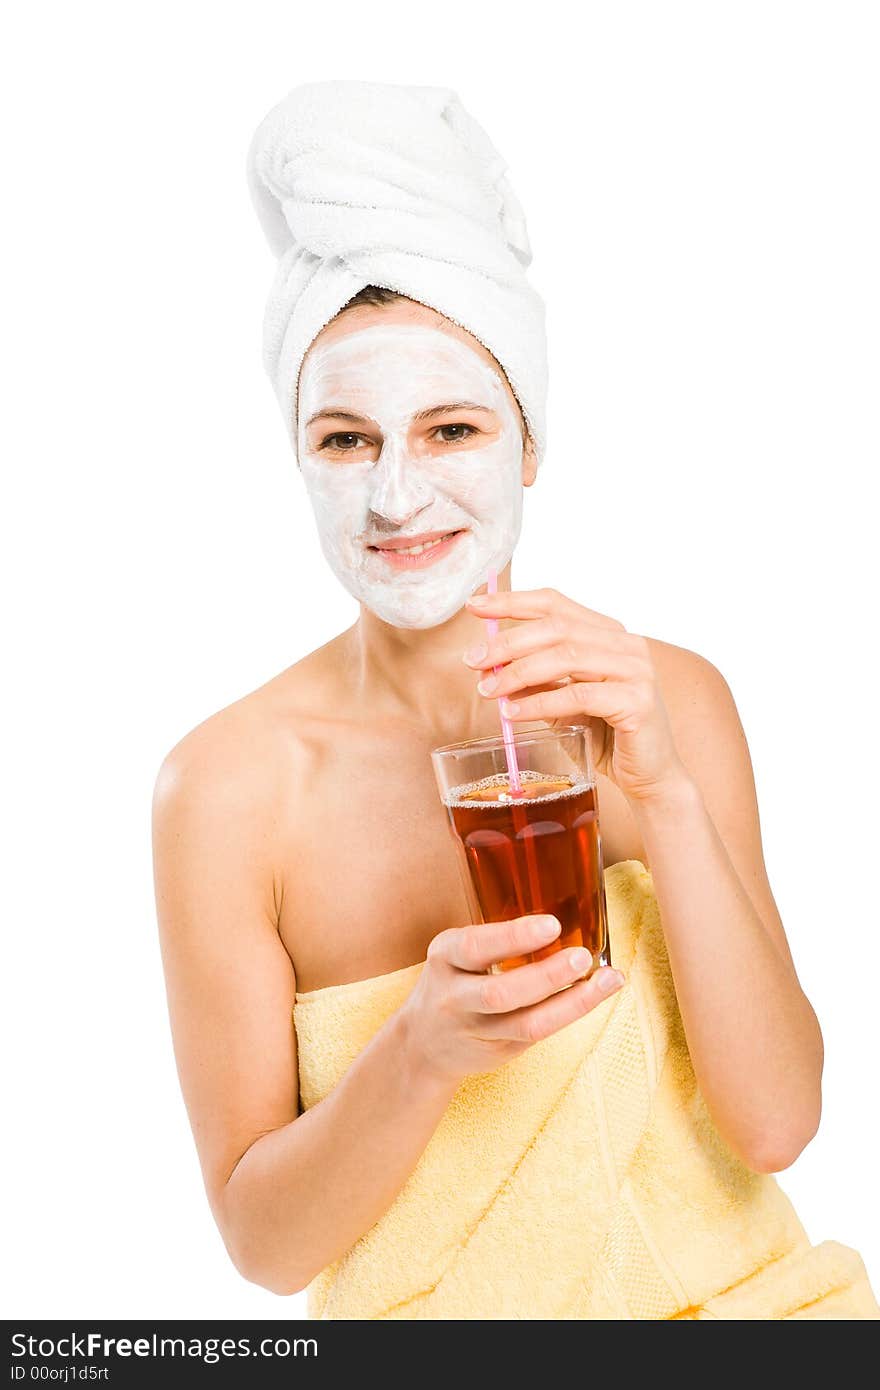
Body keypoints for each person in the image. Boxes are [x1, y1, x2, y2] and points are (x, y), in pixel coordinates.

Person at [151, 81, 879, 1319]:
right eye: (342, 440)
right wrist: (423, 1051)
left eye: (451, 429)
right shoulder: (226, 789)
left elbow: (777, 1123)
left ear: (527, 444)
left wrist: (660, 791)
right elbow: (264, 1248)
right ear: (298, 455)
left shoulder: (668, 699)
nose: (394, 497)